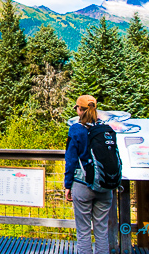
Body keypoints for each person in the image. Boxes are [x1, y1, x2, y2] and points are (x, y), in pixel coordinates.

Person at [64, 95, 113, 254]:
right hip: (105, 186)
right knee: (102, 231)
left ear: (80, 109)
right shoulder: (106, 129)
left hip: (83, 184)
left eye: (77, 108)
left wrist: (67, 185)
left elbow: (71, 159)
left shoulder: (76, 129)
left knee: (83, 231)